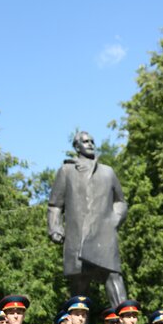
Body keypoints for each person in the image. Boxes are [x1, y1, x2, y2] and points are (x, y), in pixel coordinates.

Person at [47, 130, 128, 308]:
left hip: (104, 235)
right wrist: (55, 228)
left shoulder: (107, 172)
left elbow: (120, 202)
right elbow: (55, 205)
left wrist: (113, 220)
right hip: (77, 237)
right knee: (79, 285)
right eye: (85, 141)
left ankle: (126, 321)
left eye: (92, 141)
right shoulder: (67, 171)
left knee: (113, 277)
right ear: (77, 147)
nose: (90, 144)